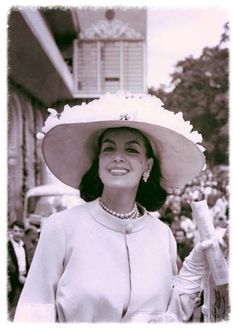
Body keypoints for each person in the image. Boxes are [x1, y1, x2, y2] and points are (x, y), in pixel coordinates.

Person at [14, 92, 215, 322]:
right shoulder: (60, 228)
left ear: (147, 166)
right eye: (108, 149)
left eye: (131, 150)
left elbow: (168, 318)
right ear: (98, 161)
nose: (117, 157)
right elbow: (33, 314)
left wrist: (190, 276)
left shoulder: (162, 235)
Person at [7, 221, 29, 320]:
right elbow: (9, 266)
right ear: (11, 231)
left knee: (21, 304)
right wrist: (18, 277)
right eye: (15, 231)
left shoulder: (23, 245)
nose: (18, 234)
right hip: (14, 278)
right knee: (12, 303)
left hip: (24, 277)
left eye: (20, 231)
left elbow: (25, 261)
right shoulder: (8, 246)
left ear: (23, 233)